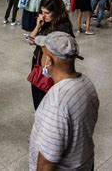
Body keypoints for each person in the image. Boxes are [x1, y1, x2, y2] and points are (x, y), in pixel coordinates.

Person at [29, 31, 99, 170]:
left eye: (42, 54)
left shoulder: (57, 101)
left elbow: (47, 161)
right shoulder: (87, 83)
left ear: (49, 60)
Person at [28, 0, 74, 109]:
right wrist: (38, 26)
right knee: (37, 95)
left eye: (47, 12)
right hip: (39, 62)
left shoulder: (63, 27)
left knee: (48, 99)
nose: (43, 15)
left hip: (52, 66)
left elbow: (66, 53)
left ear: (56, 12)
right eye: (42, 11)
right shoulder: (44, 22)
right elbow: (31, 39)